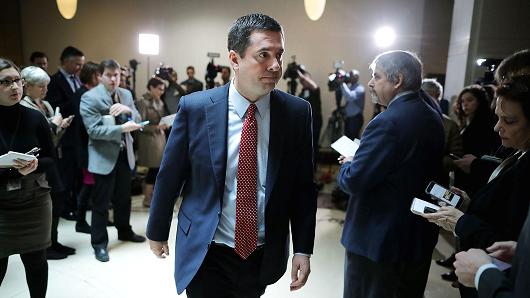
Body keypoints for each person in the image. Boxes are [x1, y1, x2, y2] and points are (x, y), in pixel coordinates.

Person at [146, 13, 316, 297]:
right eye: (263, 55)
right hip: (207, 248)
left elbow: (303, 188)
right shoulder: (196, 108)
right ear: (235, 59)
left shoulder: (297, 113)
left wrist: (302, 248)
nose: (275, 66)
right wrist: (157, 229)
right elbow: (171, 175)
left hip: (261, 252)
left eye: (279, 54)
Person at [337, 50, 445, 298]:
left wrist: (348, 163)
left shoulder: (388, 121)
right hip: (414, 238)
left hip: (378, 242)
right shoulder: (431, 113)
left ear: (397, 80)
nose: (371, 83)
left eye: (377, 76)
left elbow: (354, 180)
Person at [422, 75, 530, 298]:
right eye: (498, 118)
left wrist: (460, 222)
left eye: (509, 121)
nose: (497, 127)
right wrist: (470, 205)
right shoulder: (519, 154)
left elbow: (506, 231)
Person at [80, 59, 146, 262]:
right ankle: (99, 244)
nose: (114, 79)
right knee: (101, 203)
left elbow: (137, 117)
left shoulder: (125, 94)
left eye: (117, 75)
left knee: (123, 199)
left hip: (125, 156)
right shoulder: (89, 98)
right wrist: (121, 129)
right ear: (100, 76)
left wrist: (127, 111)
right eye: (109, 75)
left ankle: (124, 230)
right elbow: (93, 130)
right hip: (103, 157)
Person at [0, 58, 55, 298]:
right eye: (5, 82)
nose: (14, 87)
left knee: (36, 263)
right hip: (0, 204)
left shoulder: (34, 117)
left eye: (17, 81)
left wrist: (34, 164)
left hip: (34, 200)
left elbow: (51, 158)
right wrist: (12, 170)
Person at [20, 66, 76, 260]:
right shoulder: (25, 106)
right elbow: (35, 139)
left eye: (46, 86)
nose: (45, 90)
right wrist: (53, 125)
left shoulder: (46, 105)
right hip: (39, 164)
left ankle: (53, 241)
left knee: (58, 199)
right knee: (51, 202)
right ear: (27, 86)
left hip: (53, 158)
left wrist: (60, 127)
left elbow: (52, 139)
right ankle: (46, 245)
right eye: (41, 86)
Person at [45, 46, 86, 221]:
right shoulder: (54, 81)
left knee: (77, 173)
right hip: (65, 135)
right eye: (77, 64)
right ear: (66, 62)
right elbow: (56, 106)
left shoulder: (78, 80)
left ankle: (76, 204)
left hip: (79, 133)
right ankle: (66, 207)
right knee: (67, 173)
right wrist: (77, 97)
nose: (80, 68)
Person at [73, 62, 101, 234]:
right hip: (85, 147)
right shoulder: (82, 94)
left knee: (91, 185)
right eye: (98, 75)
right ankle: (80, 221)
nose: (100, 78)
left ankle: (83, 219)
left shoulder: (89, 92)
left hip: (91, 147)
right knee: (88, 184)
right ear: (91, 75)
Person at [136, 77, 168, 207]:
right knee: (153, 170)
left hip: (159, 139)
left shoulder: (159, 101)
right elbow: (140, 124)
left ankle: (152, 196)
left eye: (163, 90)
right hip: (149, 140)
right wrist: (156, 127)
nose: (161, 92)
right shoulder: (143, 102)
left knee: (158, 169)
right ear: (151, 88)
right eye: (159, 89)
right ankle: (147, 198)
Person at [298, 70, 322, 163]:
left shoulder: (315, 90)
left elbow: (314, 86)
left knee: (313, 146)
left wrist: (301, 75)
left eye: (306, 79)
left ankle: (313, 169)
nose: (303, 81)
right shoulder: (303, 92)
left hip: (315, 122)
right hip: (304, 123)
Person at [339, 69, 365, 139]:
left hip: (355, 118)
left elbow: (350, 97)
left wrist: (342, 83)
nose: (349, 77)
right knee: (348, 140)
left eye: (351, 75)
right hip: (349, 118)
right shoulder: (349, 87)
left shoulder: (360, 89)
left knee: (353, 139)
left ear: (356, 77)